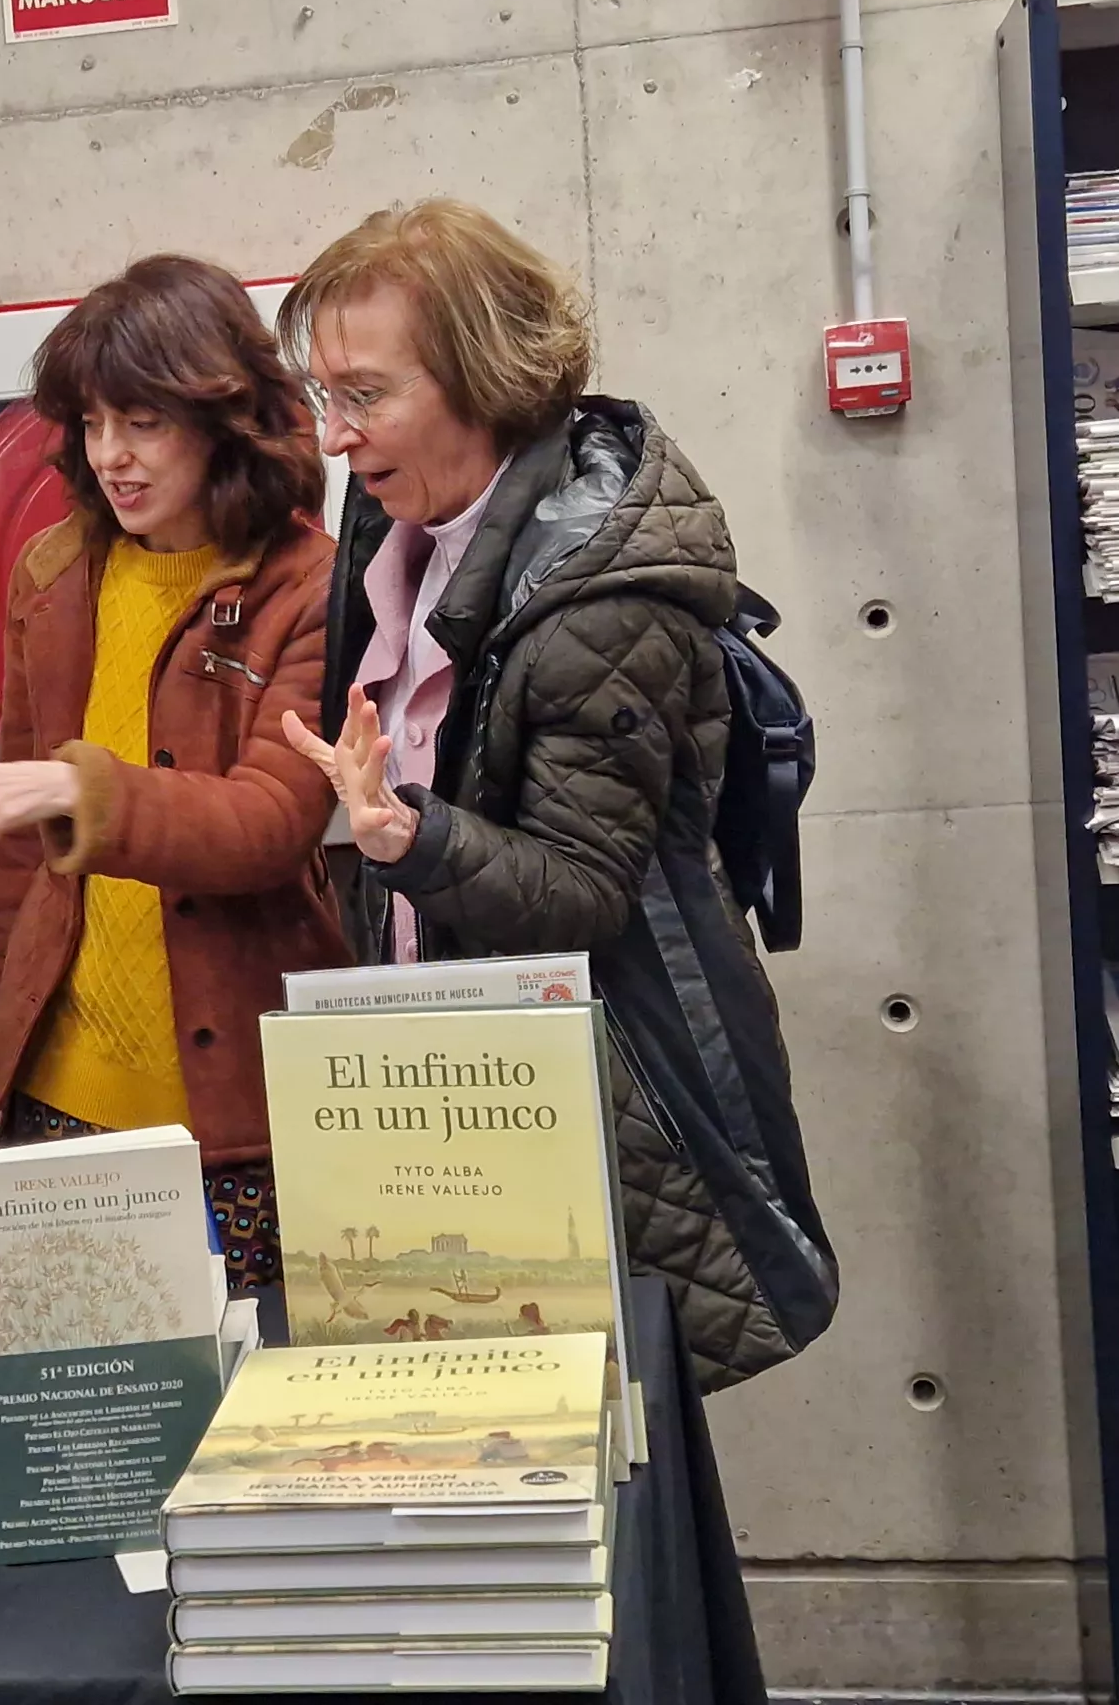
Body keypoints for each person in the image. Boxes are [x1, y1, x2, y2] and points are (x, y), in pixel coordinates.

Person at [274, 199, 838, 1388]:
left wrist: (403, 835)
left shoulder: (601, 604)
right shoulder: (391, 524)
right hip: (454, 1081)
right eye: (326, 399)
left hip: (599, 1090)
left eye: (364, 395)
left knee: (619, 1472)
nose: (335, 437)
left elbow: (583, 892)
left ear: (484, 379)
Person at [0, 255, 347, 1296]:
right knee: (75, 1425)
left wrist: (73, 790)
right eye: (92, 426)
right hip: (58, 1097)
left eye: (143, 423)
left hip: (238, 1107)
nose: (112, 458)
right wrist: (2, 997)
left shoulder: (307, 585)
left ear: (223, 416)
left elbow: (272, 822)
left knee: (247, 1417)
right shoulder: (52, 570)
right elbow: (18, 821)